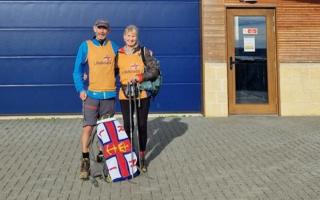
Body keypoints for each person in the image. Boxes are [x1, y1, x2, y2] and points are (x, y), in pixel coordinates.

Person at [73, 19, 118, 179]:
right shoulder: (86, 46)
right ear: (94, 28)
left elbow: (121, 66)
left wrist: (144, 53)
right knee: (88, 128)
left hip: (109, 96)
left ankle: (105, 159)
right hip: (92, 96)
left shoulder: (114, 47)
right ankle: (85, 161)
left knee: (105, 130)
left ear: (108, 30)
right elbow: (77, 69)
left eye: (105, 28)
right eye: (99, 28)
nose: (102, 31)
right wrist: (80, 89)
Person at [116, 25, 159, 172]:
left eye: (133, 36)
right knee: (128, 126)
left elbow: (154, 70)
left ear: (137, 37)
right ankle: (129, 157)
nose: (130, 39)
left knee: (141, 126)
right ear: (124, 37)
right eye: (128, 36)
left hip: (141, 95)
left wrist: (140, 77)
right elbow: (111, 73)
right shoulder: (118, 53)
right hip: (125, 95)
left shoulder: (144, 51)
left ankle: (141, 158)